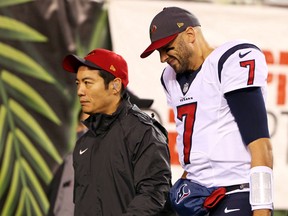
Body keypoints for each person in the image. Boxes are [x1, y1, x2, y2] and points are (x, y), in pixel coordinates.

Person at [140, 6, 273, 216]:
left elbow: (261, 147)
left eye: (167, 48)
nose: (163, 58)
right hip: (196, 195)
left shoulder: (228, 62)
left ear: (190, 34)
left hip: (235, 191)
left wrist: (262, 208)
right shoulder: (170, 78)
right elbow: (198, 145)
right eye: (159, 51)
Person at [62, 48, 176, 215]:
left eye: (88, 83)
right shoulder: (84, 143)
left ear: (115, 86)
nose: (80, 91)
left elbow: (154, 196)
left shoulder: (143, 132)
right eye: (78, 83)